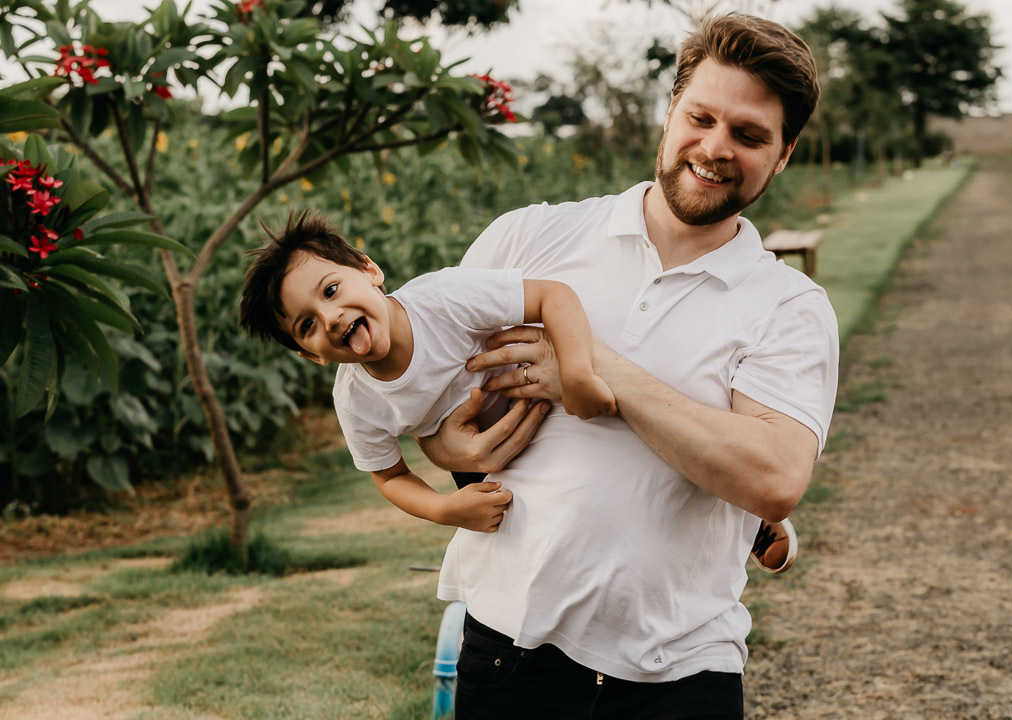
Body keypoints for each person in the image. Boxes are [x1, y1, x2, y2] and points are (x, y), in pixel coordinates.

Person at [417, 13, 839, 719]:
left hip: (681, 676)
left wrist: (591, 370)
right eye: (701, 117)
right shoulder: (528, 238)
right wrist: (444, 448)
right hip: (508, 655)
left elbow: (773, 478)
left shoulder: (789, 306)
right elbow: (422, 385)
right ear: (671, 111)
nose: (715, 147)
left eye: (748, 135)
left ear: (784, 153)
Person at [238, 211, 615, 532]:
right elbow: (390, 476)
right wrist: (445, 509)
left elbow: (553, 295)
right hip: (476, 469)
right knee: (521, 536)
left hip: (547, 404)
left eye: (331, 290)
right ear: (311, 355)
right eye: (307, 325)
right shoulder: (355, 401)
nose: (330, 318)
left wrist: (577, 374)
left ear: (370, 271)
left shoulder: (444, 299)